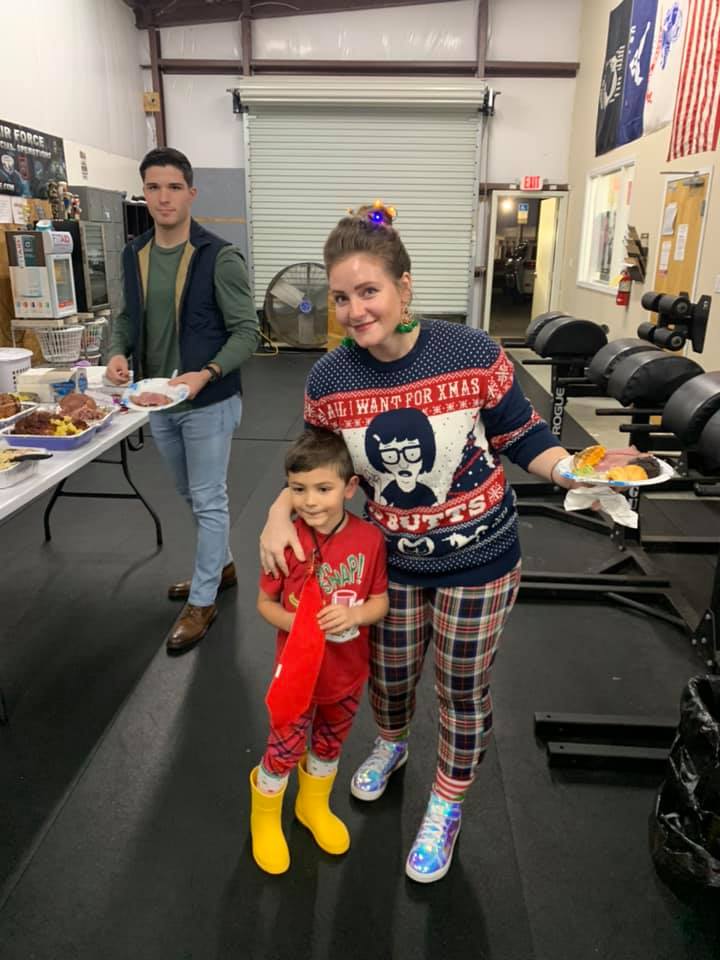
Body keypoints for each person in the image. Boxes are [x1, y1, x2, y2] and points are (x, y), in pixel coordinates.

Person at [259, 201, 580, 883]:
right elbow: (316, 465)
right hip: (389, 562)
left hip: (481, 559)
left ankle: (446, 803)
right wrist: (276, 513)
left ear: (404, 287)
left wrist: (575, 469)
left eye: (368, 291)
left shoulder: (471, 352)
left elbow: (523, 433)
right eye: (341, 297)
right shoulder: (330, 379)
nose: (354, 310)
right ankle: (392, 743)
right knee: (391, 676)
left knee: (461, 686)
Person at [106, 147, 259, 654]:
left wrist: (205, 374)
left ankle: (203, 599)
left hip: (209, 403)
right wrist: (116, 353)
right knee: (190, 495)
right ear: (143, 194)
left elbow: (247, 332)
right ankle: (221, 567)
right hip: (158, 403)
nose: (164, 197)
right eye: (153, 187)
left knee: (209, 498)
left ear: (191, 193)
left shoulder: (220, 257)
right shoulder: (134, 254)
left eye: (174, 187)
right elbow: (125, 318)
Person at [252, 427, 389, 875]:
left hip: (345, 674)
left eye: (323, 489)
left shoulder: (369, 540)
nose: (310, 501)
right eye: (298, 489)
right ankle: (265, 817)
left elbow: (380, 601)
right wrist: (298, 626)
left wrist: (355, 615)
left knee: (330, 744)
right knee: (283, 748)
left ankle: (312, 805)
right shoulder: (284, 542)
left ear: (349, 488)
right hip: (296, 677)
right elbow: (264, 604)